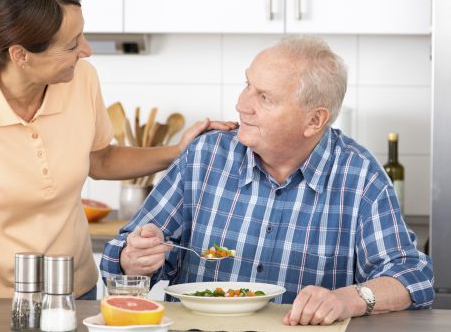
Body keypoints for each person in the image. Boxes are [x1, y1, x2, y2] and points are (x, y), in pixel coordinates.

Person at [0, 0, 236, 306]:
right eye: (72, 45)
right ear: (21, 55)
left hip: (75, 289)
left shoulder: (81, 79)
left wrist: (178, 150)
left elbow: (101, 159)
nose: (86, 50)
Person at [101, 35, 434, 325]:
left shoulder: (358, 176)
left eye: (265, 97)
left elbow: (411, 276)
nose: (241, 104)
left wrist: (348, 299)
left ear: (314, 120)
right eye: (248, 85)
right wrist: (135, 259)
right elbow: (120, 253)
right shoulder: (205, 156)